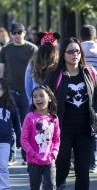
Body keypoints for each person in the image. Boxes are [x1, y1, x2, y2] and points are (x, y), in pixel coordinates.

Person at [45, 37, 97, 189]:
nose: (75, 54)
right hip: (62, 130)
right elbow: (45, 98)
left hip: (85, 130)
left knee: (83, 170)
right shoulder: (55, 75)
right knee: (62, 168)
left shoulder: (89, 73)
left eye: (77, 51)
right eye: (70, 51)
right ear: (63, 54)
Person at [0, 22, 38, 165]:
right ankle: (11, 155)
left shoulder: (33, 49)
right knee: (10, 124)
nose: (16, 35)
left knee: (27, 124)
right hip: (10, 92)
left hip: (29, 93)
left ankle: (27, 155)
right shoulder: (5, 49)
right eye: (13, 33)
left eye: (19, 32)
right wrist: (0, 90)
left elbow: (38, 71)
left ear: (24, 33)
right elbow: (0, 71)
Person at [21, 85, 60, 190]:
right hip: (33, 162)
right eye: (34, 96)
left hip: (49, 161)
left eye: (41, 95)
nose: (38, 99)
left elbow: (56, 139)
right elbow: (23, 139)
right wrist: (32, 153)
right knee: (35, 187)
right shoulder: (29, 117)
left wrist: (54, 153)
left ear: (50, 98)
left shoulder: (54, 118)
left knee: (50, 186)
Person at [25, 32, 60, 104]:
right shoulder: (59, 64)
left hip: (37, 103)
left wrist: (32, 100)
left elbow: (27, 86)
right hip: (56, 103)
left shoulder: (32, 63)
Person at [80, 25, 97, 173]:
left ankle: (90, 161)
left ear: (80, 37)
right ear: (95, 37)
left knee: (89, 127)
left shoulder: (77, 51)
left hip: (84, 92)